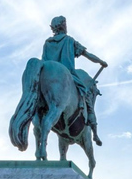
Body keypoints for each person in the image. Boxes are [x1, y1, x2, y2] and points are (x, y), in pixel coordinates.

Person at [42, 16, 107, 146]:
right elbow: (88, 56)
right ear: (63, 26)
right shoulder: (69, 41)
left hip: (45, 78)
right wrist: (101, 61)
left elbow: (44, 62)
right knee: (86, 96)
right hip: (68, 76)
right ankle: (94, 131)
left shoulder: (47, 43)